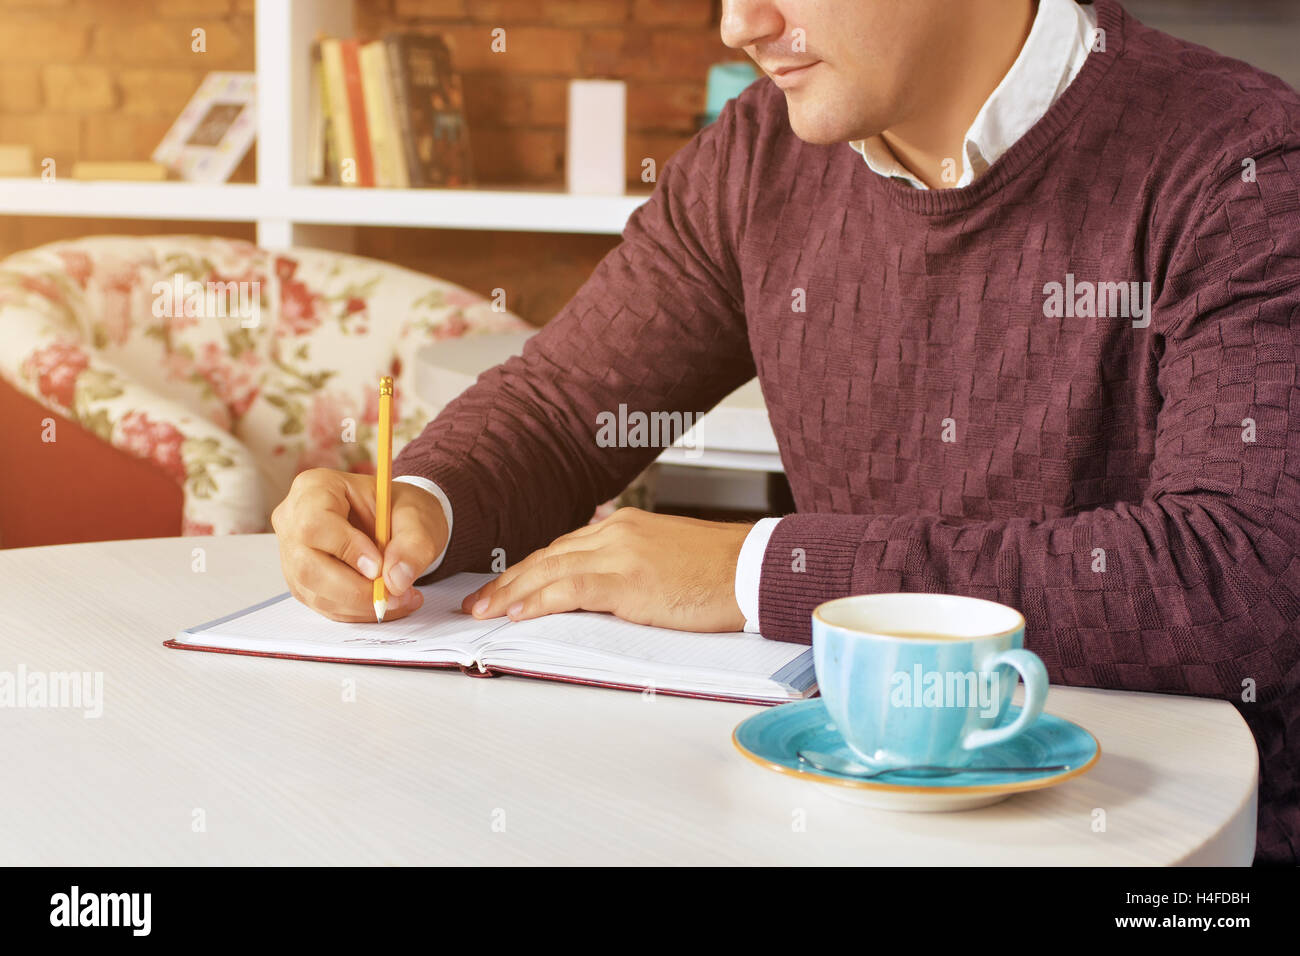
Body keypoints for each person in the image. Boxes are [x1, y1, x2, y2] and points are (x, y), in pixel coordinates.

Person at [271, 0, 1300, 865]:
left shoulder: (1240, 163)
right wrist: (419, 498)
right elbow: (562, 408)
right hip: (848, 812)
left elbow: (1243, 577)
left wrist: (763, 574)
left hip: (1173, 839)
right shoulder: (761, 154)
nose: (739, 25)